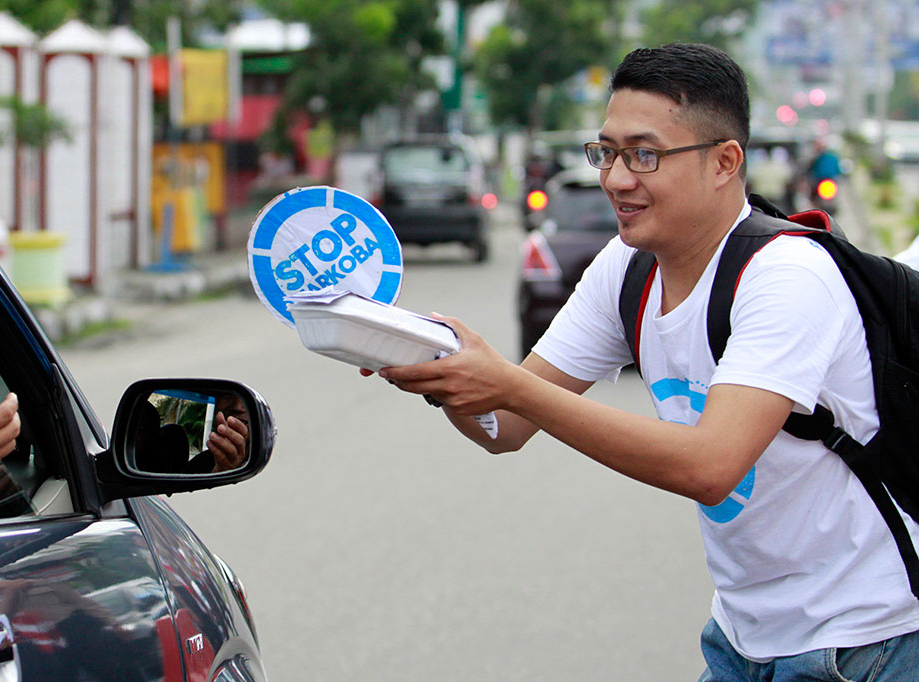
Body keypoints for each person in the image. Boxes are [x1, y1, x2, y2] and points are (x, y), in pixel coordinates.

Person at [370, 43, 919, 679]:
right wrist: (430, 362)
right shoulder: (627, 267)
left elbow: (712, 465)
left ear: (724, 161)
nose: (616, 178)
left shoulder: (790, 275)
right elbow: (505, 427)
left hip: (862, 645)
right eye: (606, 152)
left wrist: (505, 385)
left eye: (645, 155)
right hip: (742, 638)